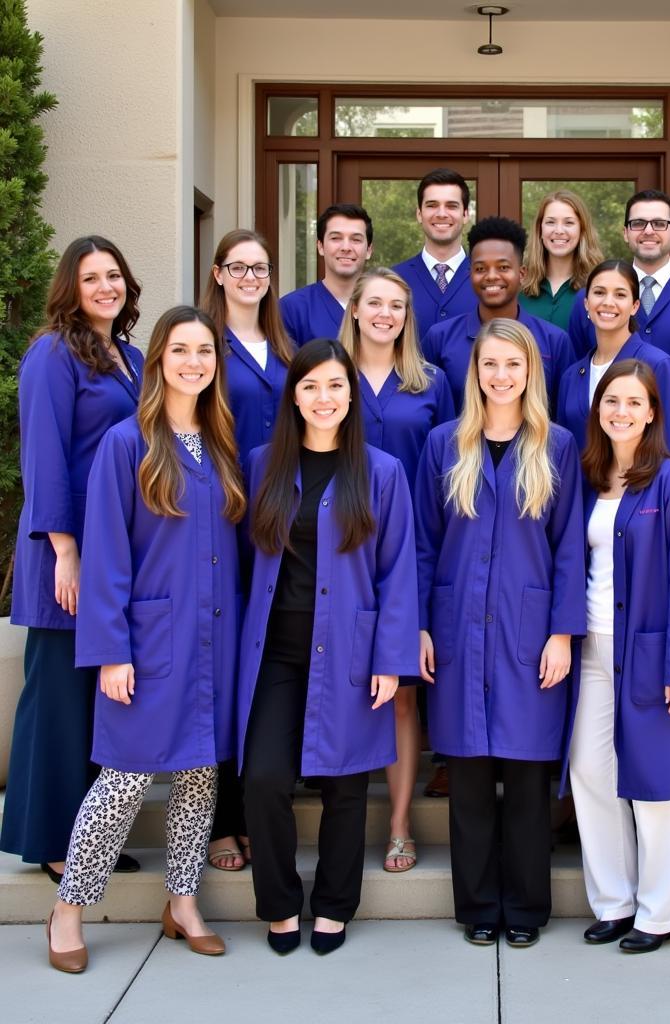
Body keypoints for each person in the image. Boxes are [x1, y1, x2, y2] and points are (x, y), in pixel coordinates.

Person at [45, 305, 246, 973]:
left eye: (206, 352)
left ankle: (183, 902)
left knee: (198, 776)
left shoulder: (221, 443)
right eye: (182, 350)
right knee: (123, 780)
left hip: (214, 637)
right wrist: (110, 652)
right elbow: (105, 556)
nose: (195, 362)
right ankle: (69, 907)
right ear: (158, 359)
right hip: (151, 639)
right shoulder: (127, 443)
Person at [238, 339, 419, 955]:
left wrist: (391, 660)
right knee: (263, 778)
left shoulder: (383, 472)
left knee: (346, 783)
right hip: (275, 652)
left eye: (336, 386)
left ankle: (336, 905)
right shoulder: (262, 463)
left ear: (351, 395)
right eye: (311, 386)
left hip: (349, 647)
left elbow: (398, 573)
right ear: (294, 394)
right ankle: (281, 902)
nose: (324, 398)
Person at [415, 318, 586, 948]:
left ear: (530, 372)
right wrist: (423, 628)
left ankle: (527, 908)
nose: (501, 376)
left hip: (529, 629)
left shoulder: (557, 446)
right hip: (458, 627)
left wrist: (564, 633)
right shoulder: (443, 445)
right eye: (490, 364)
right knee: (467, 781)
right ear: (475, 371)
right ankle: (479, 906)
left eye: (513, 365)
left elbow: (569, 549)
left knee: (523, 780)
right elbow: (424, 546)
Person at [2, 236, 145, 885]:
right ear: (71, 287)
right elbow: (44, 458)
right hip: (69, 557)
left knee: (97, 705)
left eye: (113, 275)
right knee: (60, 699)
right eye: (92, 278)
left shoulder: (131, 357)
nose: (106, 287)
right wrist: (66, 552)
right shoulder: (52, 354)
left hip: (115, 553)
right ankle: (51, 840)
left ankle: (94, 836)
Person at [567, 359, 670, 954]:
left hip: (652, 654)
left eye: (634, 403)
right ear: (596, 410)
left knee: (654, 784)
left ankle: (658, 912)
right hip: (591, 650)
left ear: (652, 412)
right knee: (590, 773)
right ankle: (614, 902)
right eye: (611, 402)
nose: (621, 412)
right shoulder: (585, 477)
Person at [338, 268, 455, 872]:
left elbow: (453, 465)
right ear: (355, 309)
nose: (385, 314)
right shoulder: (331, 376)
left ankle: (400, 824)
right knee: (348, 688)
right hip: (340, 553)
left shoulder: (430, 382)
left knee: (402, 694)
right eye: (375, 303)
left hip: (412, 553)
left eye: (397, 306)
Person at [200, 228, 294, 872]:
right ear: (218, 272)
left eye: (260, 268)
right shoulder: (206, 347)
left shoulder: (287, 350)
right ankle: (220, 820)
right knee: (223, 670)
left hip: (281, 531)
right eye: (239, 267)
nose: (250, 277)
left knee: (264, 671)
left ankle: (259, 810)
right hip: (222, 522)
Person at [421, 217, 574, 416]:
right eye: (480, 269)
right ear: (470, 275)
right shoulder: (439, 338)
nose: (491, 276)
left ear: (522, 274)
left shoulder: (554, 341)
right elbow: (426, 412)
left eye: (503, 267)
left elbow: (564, 415)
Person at [557, 260, 670, 464]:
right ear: (586, 303)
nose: (608, 302)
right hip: (582, 495)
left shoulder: (658, 365)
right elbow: (563, 457)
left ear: (635, 306)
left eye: (620, 294)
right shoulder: (571, 376)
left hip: (641, 492)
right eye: (599, 292)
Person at [567, 188, 670, 363]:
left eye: (659, 223)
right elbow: (578, 372)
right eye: (638, 223)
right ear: (626, 233)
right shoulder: (591, 299)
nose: (649, 231)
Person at [393, 169, 476, 333]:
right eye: (432, 205)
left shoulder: (487, 280)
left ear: (465, 215)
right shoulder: (394, 280)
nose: (441, 214)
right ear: (419, 214)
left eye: (451, 206)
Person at [279, 204, 373, 345]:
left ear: (369, 250)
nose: (346, 248)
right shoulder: (292, 309)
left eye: (356, 239)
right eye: (336, 238)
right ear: (320, 246)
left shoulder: (385, 310)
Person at [519, 189, 603, 336]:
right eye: (550, 222)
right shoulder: (520, 287)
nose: (559, 230)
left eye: (569, 223)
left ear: (582, 230)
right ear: (540, 230)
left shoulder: (597, 287)